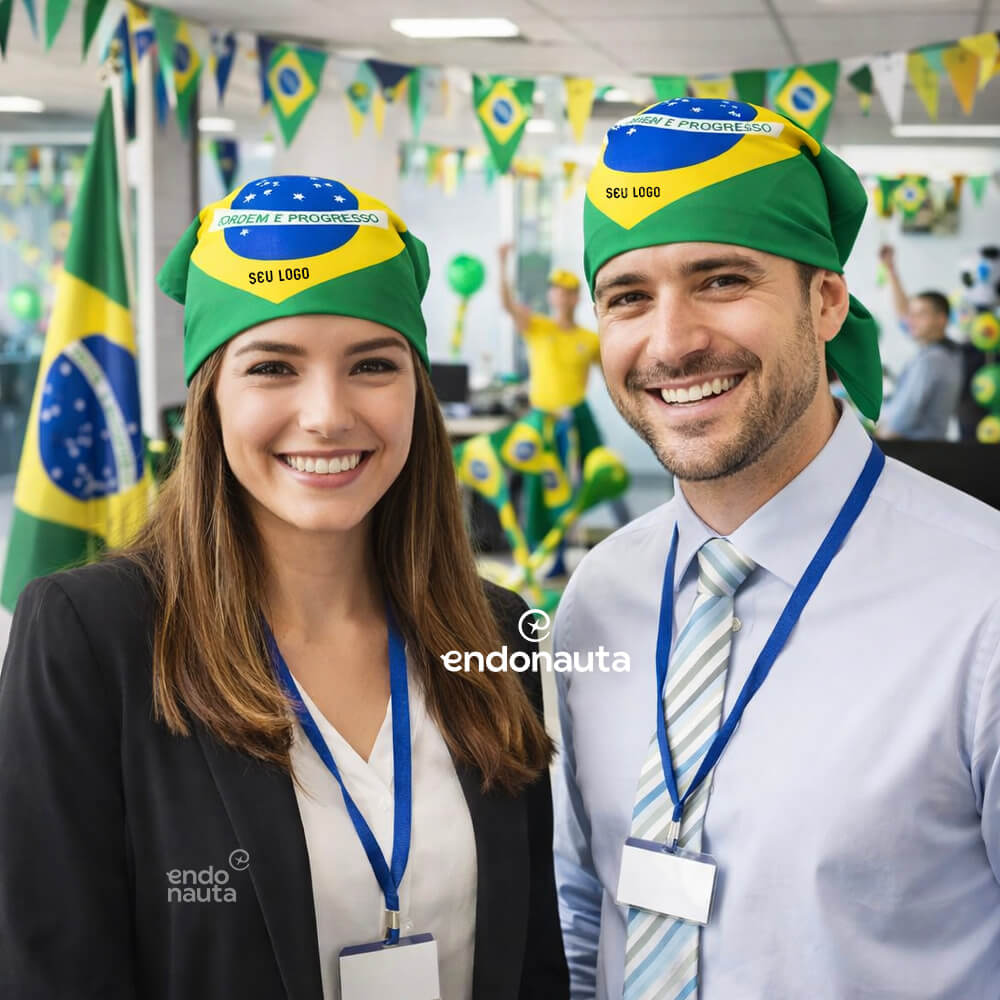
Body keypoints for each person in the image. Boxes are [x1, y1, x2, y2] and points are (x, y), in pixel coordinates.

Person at [0, 175, 568, 1000]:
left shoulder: (493, 633)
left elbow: (532, 965)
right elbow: (51, 968)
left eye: (373, 364)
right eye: (273, 367)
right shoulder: (96, 637)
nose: (328, 414)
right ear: (211, 401)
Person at [552, 98, 1000, 999]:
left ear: (827, 300)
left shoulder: (982, 602)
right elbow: (583, 905)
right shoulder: (600, 592)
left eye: (722, 280)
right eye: (628, 297)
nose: (671, 343)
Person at [497, 245, 624, 575]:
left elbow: (615, 372)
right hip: (545, 421)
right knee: (543, 490)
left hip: (578, 417)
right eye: (556, 291)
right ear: (552, 297)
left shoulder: (588, 338)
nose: (561, 297)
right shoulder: (538, 328)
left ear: (576, 298)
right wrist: (502, 262)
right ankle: (546, 558)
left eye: (567, 292)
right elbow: (508, 305)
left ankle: (630, 538)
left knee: (602, 472)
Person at [876, 244, 964, 439]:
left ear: (941, 319)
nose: (911, 320)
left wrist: (879, 438)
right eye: (911, 315)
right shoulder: (946, 352)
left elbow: (905, 414)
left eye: (920, 314)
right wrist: (891, 269)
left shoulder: (933, 359)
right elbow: (903, 317)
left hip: (915, 449)